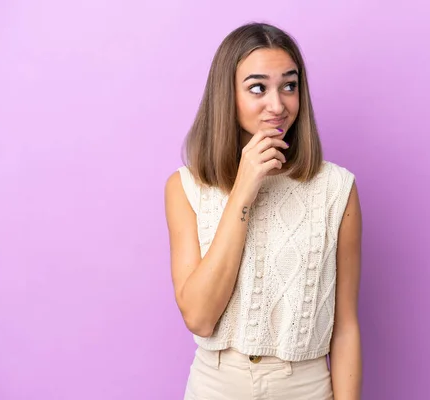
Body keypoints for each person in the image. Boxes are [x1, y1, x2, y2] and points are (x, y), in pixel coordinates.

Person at [164, 22, 362, 400]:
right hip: (215, 386)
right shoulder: (186, 187)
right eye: (258, 88)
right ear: (227, 95)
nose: (278, 104)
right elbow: (200, 318)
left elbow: (346, 326)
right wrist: (243, 190)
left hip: (305, 387)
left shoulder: (337, 189)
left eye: (289, 85)